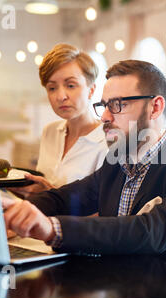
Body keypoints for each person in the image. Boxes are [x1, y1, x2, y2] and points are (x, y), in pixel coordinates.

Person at [2, 60, 166, 278]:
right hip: (116, 287)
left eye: (119, 105)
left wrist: (52, 228)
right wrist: (12, 211)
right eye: (105, 106)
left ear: (155, 107)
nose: (106, 117)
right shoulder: (116, 163)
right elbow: (67, 198)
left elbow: (149, 232)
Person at [10, 43, 108, 198]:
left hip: (68, 223)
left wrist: (49, 196)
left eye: (70, 85)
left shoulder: (107, 141)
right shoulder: (50, 131)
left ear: (91, 90)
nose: (61, 96)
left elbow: (105, 212)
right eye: (52, 88)